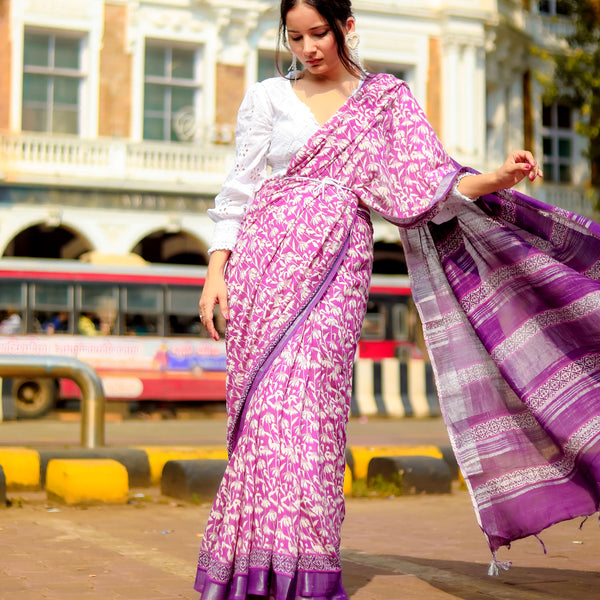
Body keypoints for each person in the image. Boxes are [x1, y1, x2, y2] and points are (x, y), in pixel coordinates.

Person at [196, 0, 600, 597]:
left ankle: (301, 574)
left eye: (319, 35)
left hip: (334, 272)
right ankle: (253, 569)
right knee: (263, 422)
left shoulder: (386, 102)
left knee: (308, 422)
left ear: (347, 29)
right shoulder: (266, 98)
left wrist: (496, 178)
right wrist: (216, 269)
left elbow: (430, 184)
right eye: (296, 37)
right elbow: (239, 190)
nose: (308, 49)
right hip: (262, 268)